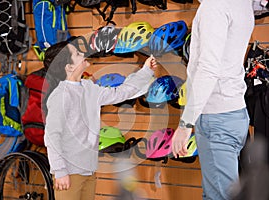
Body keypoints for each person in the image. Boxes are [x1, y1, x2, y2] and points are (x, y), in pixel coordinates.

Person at [43, 38, 157, 200]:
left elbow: (120, 93)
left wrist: (146, 71)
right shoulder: (60, 96)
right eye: (76, 53)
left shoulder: (89, 88)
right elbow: (52, 136)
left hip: (88, 169)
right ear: (69, 67)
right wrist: (60, 171)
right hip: (69, 173)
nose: (82, 53)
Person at [171, 0, 255, 199]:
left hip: (216, 118)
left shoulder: (213, 7)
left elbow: (208, 69)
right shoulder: (242, 4)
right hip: (235, 113)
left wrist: (185, 125)